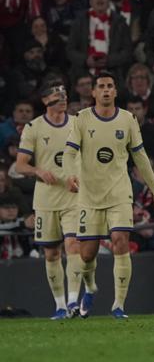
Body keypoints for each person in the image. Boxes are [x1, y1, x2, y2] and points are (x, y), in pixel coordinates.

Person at [63, 72, 154, 319]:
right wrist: (69, 175)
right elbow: (69, 152)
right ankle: (90, 288)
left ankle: (118, 305)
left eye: (110, 86)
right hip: (89, 195)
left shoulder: (128, 119)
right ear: (94, 92)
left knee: (120, 240)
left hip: (119, 192)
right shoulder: (82, 119)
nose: (106, 90)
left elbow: (140, 157)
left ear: (116, 91)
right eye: (101, 86)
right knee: (87, 254)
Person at [15, 83, 85, 319]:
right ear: (45, 100)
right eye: (57, 95)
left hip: (73, 197)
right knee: (52, 253)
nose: (63, 99)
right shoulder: (33, 128)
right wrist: (38, 171)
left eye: (64, 95)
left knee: (73, 245)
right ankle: (60, 305)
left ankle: (73, 302)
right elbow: (20, 165)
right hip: (46, 200)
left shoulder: (77, 123)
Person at [67, 0, 132, 82]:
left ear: (109, 1)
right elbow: (70, 50)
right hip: (83, 74)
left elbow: (127, 51)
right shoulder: (79, 21)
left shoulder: (120, 22)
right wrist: (86, 60)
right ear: (90, 2)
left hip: (113, 73)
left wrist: (109, 61)